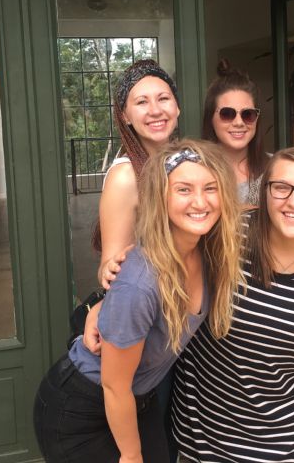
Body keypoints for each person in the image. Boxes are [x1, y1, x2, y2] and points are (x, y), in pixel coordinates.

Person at [34, 140, 243, 463]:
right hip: (81, 409)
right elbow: (114, 386)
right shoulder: (141, 282)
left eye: (211, 188)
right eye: (184, 190)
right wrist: (131, 456)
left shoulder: (206, 251)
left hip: (135, 399)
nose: (200, 201)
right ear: (161, 197)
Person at [172, 147, 294, 463]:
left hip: (283, 436)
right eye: (282, 187)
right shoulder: (228, 236)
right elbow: (165, 260)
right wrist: (106, 303)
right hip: (205, 433)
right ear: (265, 193)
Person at [95, 58, 180, 290]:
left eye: (163, 98)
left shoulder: (185, 162)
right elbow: (109, 266)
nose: (155, 110)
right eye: (142, 102)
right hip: (154, 301)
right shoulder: (125, 176)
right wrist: (110, 268)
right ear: (125, 116)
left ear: (177, 107)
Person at [201, 59, 266, 205]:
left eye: (248, 114)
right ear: (210, 118)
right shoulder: (193, 170)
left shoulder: (276, 168)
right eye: (227, 113)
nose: (238, 122)